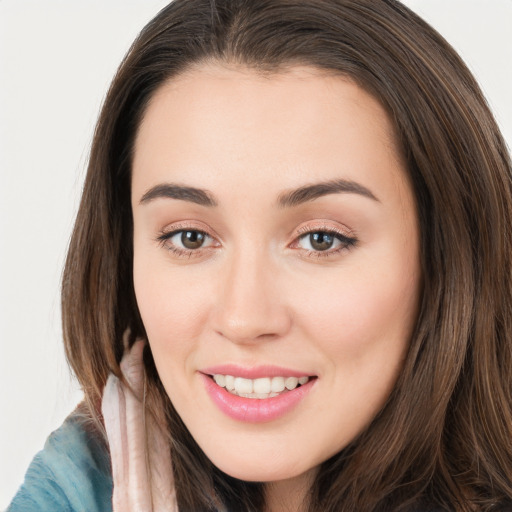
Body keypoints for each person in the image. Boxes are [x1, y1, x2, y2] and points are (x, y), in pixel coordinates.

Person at [8, 0, 512, 510]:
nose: (244, 318)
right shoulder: (74, 489)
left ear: (448, 258)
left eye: (321, 239)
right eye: (189, 237)